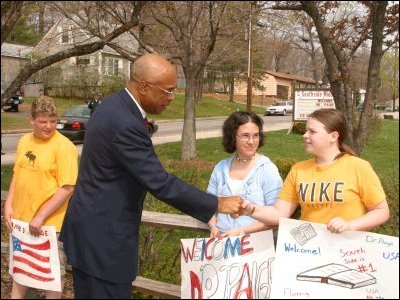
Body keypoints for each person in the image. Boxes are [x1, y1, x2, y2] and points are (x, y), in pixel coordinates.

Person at [59, 53, 244, 299]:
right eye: (167, 91)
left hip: (89, 233)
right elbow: (159, 181)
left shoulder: (111, 105)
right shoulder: (126, 122)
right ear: (144, 86)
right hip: (103, 243)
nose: (171, 98)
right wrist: (217, 203)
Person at [242, 108, 390, 234]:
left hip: (348, 253)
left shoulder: (358, 167)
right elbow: (279, 214)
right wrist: (250, 209)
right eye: (306, 130)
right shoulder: (298, 170)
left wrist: (350, 225)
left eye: (312, 131)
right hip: (310, 253)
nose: (305, 135)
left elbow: (381, 211)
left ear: (333, 136)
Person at [3, 96, 78, 298]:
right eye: (43, 121)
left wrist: (41, 216)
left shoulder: (64, 147)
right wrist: (8, 204)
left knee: (52, 277)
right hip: (21, 223)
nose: (49, 126)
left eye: (53, 121)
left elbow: (67, 188)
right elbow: (18, 174)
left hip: (50, 226)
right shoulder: (24, 141)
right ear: (32, 120)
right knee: (21, 273)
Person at [207, 111, 283, 238]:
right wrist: (213, 226)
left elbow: (276, 217)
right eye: (245, 136)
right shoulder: (221, 168)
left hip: (256, 248)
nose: (251, 141)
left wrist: (241, 231)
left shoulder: (267, 169)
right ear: (232, 137)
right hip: (222, 246)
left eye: (256, 136)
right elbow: (208, 205)